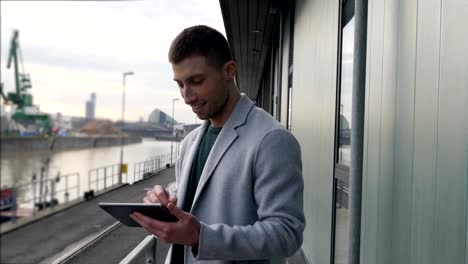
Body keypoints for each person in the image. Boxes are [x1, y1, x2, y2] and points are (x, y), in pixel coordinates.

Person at [130, 25, 305, 264]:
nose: (187, 96)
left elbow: (287, 234)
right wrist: (165, 200)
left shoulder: (272, 140)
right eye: (180, 84)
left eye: (196, 81)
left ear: (229, 71)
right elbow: (193, 192)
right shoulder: (191, 141)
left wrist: (202, 238)